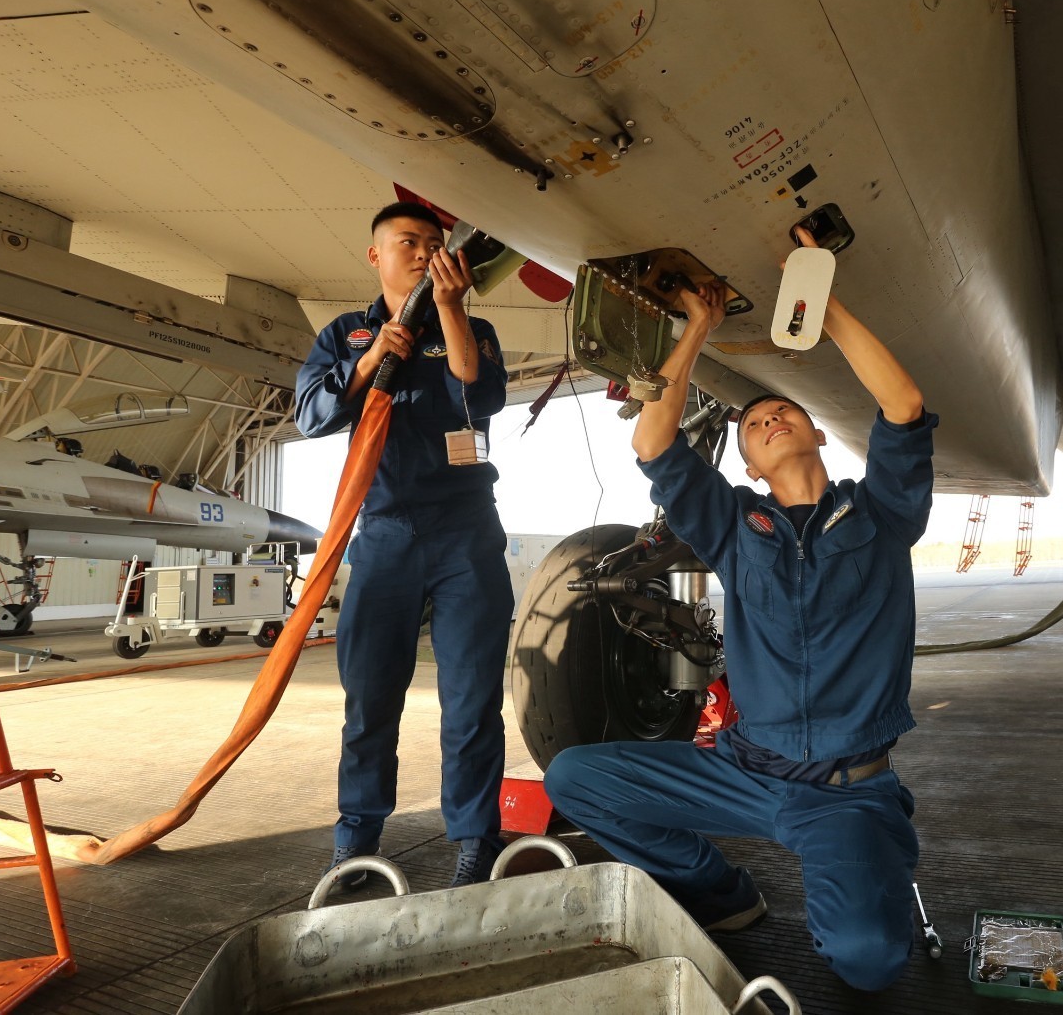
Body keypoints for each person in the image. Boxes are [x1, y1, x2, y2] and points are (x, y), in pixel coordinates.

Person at [544, 233, 937, 991]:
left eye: (784, 411)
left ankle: (868, 869)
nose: (767, 420)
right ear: (748, 466)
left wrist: (823, 306)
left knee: (868, 962)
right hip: (742, 771)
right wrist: (697, 329)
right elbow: (654, 440)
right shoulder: (732, 524)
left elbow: (904, 406)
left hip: (843, 793)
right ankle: (723, 893)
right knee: (575, 779)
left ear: (819, 432)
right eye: (754, 424)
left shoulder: (882, 514)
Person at [295, 200, 512, 887]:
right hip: (384, 535)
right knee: (370, 701)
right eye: (408, 241)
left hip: (466, 535)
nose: (423, 253)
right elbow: (309, 416)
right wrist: (367, 365)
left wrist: (447, 310)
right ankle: (355, 843)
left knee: (472, 701)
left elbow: (484, 394)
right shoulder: (345, 334)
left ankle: (475, 840)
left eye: (435, 243)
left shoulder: (470, 327)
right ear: (376, 255)